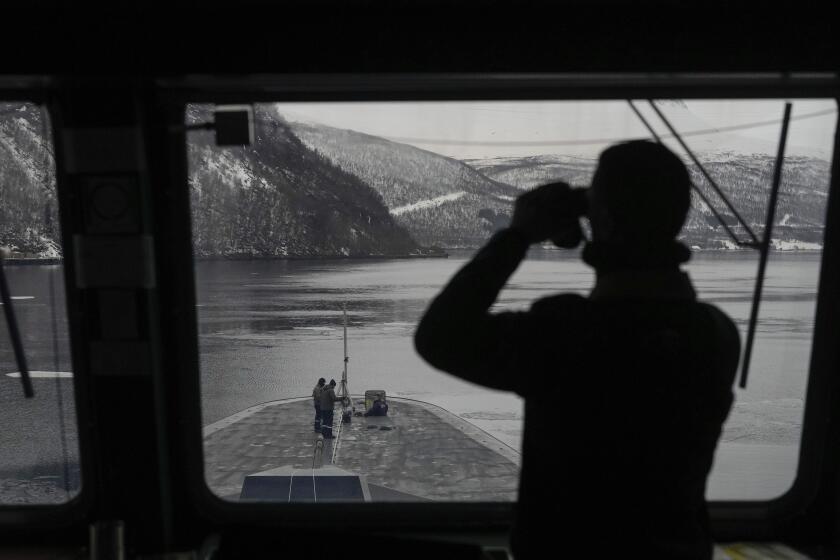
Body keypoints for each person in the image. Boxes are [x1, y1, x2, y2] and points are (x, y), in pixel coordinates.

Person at [414, 140, 740, 560]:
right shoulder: (716, 335)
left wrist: (518, 235)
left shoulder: (563, 331)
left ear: (598, 215)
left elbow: (439, 336)